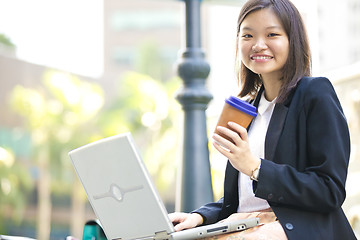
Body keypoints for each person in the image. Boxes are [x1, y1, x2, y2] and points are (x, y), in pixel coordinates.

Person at [168, 0, 358, 239]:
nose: (258, 45)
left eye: (272, 34)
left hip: (298, 229)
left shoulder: (314, 93)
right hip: (249, 227)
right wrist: (201, 216)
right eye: (247, 35)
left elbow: (329, 190)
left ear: (292, 40)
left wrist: (255, 167)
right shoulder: (246, 109)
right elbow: (244, 198)